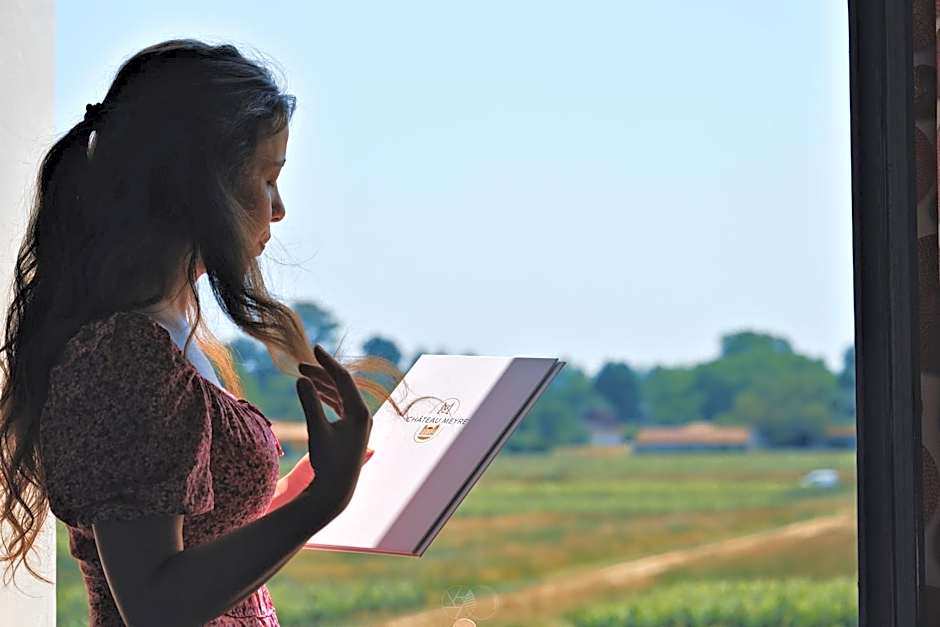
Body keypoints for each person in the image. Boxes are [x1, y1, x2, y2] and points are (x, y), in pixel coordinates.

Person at [0, 39, 396, 626]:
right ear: (199, 187)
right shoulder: (125, 356)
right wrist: (320, 502)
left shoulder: (176, 334)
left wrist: (304, 486)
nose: (279, 208)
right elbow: (156, 607)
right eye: (266, 179)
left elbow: (197, 536)